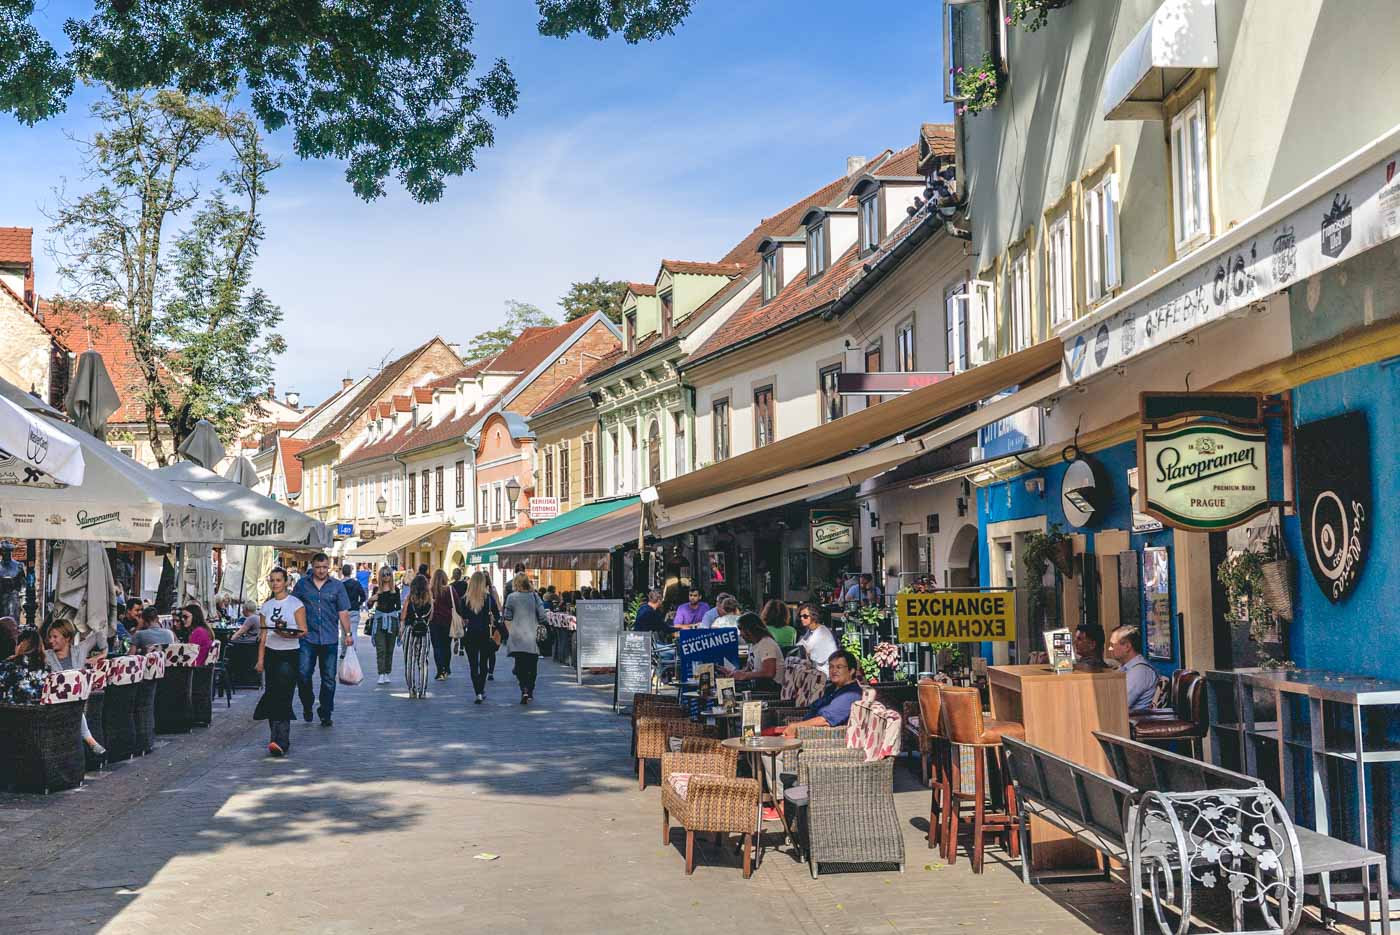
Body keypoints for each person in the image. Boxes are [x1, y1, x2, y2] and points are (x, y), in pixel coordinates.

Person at [292, 552, 353, 727]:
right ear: (312, 566)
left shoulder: (337, 586)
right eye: (318, 567)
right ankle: (307, 704)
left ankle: (325, 712)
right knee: (303, 675)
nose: (321, 571)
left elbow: (343, 612)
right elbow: (294, 607)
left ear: (329, 567)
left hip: (330, 638)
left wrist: (348, 635)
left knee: (328, 679)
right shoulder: (302, 585)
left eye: (324, 567)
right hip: (307, 637)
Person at [253, 567, 307, 757]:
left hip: (289, 653)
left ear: (286, 582)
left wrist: (285, 633)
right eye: (272, 580)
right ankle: (274, 737)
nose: (275, 583)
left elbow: (302, 631)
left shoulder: (295, 604)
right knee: (272, 693)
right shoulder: (266, 607)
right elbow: (263, 635)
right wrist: (260, 660)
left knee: (284, 694)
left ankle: (282, 739)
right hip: (271, 653)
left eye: (278, 580)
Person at [44, 619, 106, 760]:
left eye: (55, 637)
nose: (51, 640)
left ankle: (89, 741)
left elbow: (98, 634)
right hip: (58, 704)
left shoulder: (80, 651)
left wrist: (103, 653)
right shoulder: (47, 656)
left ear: (67, 638)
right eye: (50, 637)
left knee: (74, 705)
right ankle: (90, 740)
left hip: (80, 701)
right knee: (73, 707)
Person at [782, 650, 863, 737]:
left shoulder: (850, 694)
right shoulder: (832, 688)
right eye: (831, 667)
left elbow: (825, 720)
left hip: (819, 737)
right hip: (805, 731)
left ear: (851, 671)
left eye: (839, 667)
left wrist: (795, 727)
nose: (834, 670)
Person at [457, 571, 505, 704]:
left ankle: (477, 691)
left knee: (473, 665)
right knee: (483, 663)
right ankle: (481, 689)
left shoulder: (464, 600)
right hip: (485, 634)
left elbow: (462, 616)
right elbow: (496, 614)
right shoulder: (488, 599)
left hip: (470, 634)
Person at [501, 572, 545, 704]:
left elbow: (507, 617)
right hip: (532, 636)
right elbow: (543, 616)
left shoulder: (511, 597)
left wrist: (511, 632)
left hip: (517, 636)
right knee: (532, 665)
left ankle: (524, 689)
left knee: (520, 665)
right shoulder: (535, 596)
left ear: (516, 583)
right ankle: (530, 690)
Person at [726, 613, 783, 694]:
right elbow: (749, 669)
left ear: (750, 630)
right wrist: (734, 673)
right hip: (759, 684)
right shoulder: (754, 645)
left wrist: (745, 675)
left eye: (741, 630)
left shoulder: (766, 644)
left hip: (771, 689)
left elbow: (769, 673)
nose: (740, 634)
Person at [1108, 626, 1158, 712]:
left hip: (1133, 722)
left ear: (1127, 646)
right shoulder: (1126, 667)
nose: (1109, 649)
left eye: (1112, 645)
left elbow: (1119, 704)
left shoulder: (1139, 671)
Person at [401, 574, 433, 699]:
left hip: (410, 630)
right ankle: (423, 691)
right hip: (425, 631)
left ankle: (411, 690)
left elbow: (403, 616)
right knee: (423, 662)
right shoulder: (429, 600)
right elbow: (431, 617)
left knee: (409, 661)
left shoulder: (409, 599)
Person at [368, 566, 400, 684]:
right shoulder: (377, 589)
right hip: (379, 620)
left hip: (392, 620)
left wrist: (400, 625)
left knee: (389, 649)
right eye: (384, 574)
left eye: (388, 574)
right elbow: (369, 606)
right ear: (380, 576)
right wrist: (371, 599)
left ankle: (387, 672)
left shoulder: (395, 590)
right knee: (380, 648)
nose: (386, 576)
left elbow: (398, 607)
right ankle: (381, 673)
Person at [795, 602, 838, 674]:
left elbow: (807, 650)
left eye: (805, 616)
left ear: (813, 617)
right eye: (801, 616)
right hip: (815, 670)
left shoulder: (821, 632)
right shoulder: (811, 630)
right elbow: (799, 645)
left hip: (825, 674)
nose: (802, 619)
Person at [428, 569, 454, 681]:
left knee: (437, 647)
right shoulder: (450, 590)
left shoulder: (430, 590)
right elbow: (457, 604)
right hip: (448, 621)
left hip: (434, 622)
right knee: (446, 646)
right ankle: (447, 667)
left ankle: (440, 670)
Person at [340, 563, 367, 637]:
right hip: (354, 609)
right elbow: (363, 596)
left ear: (342, 572)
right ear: (350, 572)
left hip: (343, 610)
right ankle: (352, 648)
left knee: (344, 633)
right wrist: (359, 603)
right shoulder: (356, 583)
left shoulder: (339, 584)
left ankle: (345, 648)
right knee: (353, 632)